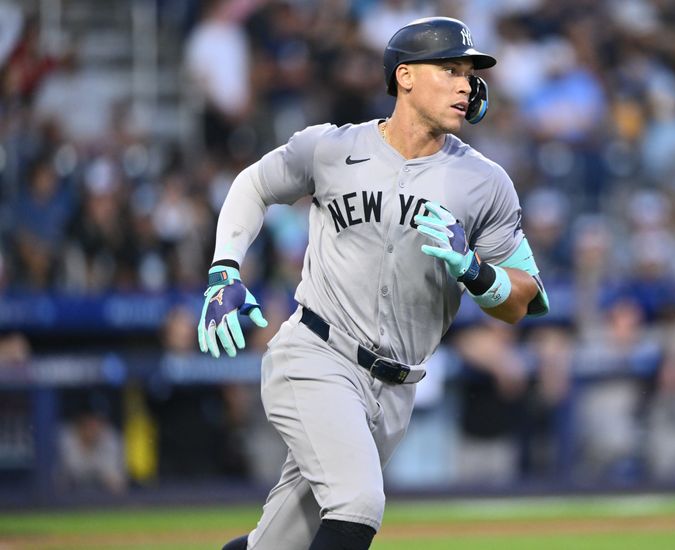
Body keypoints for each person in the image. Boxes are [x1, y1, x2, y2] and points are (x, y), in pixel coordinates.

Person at [197, 17, 549, 550]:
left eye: (470, 74)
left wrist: (477, 271)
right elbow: (254, 185)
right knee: (358, 504)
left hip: (396, 390)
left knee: (277, 546)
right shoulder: (332, 148)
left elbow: (524, 298)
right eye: (450, 69)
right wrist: (225, 268)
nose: (466, 85)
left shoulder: (486, 182)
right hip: (317, 355)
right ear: (404, 76)